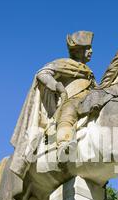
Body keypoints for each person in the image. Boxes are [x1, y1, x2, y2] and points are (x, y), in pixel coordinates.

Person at [9, 31, 95, 179]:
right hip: (70, 101)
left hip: (88, 102)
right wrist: (57, 86)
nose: (91, 51)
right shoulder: (64, 64)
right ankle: (64, 145)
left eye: (90, 48)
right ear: (78, 50)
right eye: (87, 48)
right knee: (70, 109)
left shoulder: (89, 73)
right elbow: (42, 74)